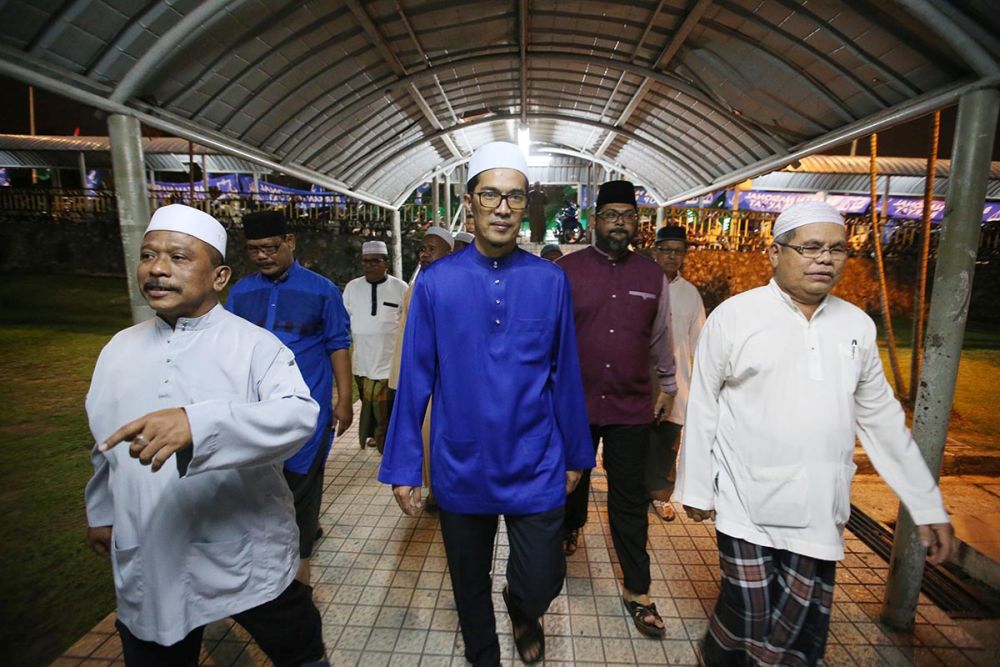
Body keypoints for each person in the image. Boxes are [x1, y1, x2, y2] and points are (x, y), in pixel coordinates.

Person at [675, 201, 953, 666]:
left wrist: (925, 503)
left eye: (837, 249)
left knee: (798, 630)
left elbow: (882, 420)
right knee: (750, 611)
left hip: (820, 508)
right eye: (810, 248)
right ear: (774, 253)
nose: (824, 259)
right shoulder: (735, 316)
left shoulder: (856, 327)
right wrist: (696, 488)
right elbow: (703, 405)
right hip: (747, 501)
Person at [84, 204, 328, 666]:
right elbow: (104, 443)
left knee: (298, 647)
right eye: (148, 255)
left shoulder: (254, 346)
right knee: (156, 645)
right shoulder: (118, 350)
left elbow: (298, 416)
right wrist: (101, 510)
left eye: (178, 257)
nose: (157, 269)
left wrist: (199, 424)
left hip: (242, 546)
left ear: (218, 277)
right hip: (152, 546)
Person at [379, 142, 593, 666]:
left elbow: (566, 374)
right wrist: (405, 464)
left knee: (544, 575)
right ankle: (483, 655)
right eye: (490, 195)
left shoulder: (550, 280)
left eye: (514, 197)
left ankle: (524, 608)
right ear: (470, 203)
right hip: (462, 458)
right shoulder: (435, 281)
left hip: (536, 456)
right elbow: (415, 378)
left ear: (525, 205)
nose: (502, 207)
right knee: (467, 579)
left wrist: (576, 456)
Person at [558, 180, 677, 639]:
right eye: (611, 215)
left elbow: (661, 336)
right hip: (575, 404)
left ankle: (638, 590)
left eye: (628, 215)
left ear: (637, 223)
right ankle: (568, 532)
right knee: (569, 484)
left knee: (629, 500)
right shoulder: (566, 272)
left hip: (631, 406)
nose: (619, 223)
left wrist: (667, 383)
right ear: (595, 220)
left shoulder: (652, 277)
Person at [226, 209, 353, 585]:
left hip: (307, 408)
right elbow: (230, 349)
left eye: (270, 247)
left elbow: (338, 344)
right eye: (254, 250)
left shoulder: (322, 290)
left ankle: (299, 572)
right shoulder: (241, 293)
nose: (263, 256)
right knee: (263, 481)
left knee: (302, 483)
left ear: (290, 243)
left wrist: (343, 399)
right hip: (256, 411)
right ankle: (287, 539)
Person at [386, 225, 454, 512]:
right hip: (414, 378)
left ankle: (443, 491)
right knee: (422, 437)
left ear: (450, 253)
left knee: (438, 438)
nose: (423, 254)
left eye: (431, 249)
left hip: (446, 382)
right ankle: (433, 490)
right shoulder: (414, 288)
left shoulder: (457, 287)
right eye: (423, 249)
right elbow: (403, 336)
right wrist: (397, 377)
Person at [646, 225, 705, 522]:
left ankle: (660, 495)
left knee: (668, 440)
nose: (671, 256)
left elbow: (701, 341)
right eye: (666, 249)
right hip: (640, 378)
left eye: (678, 251)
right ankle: (630, 491)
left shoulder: (690, 294)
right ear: (655, 250)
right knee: (636, 438)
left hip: (677, 380)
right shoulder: (642, 284)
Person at [342, 240, 407, 452]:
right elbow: (344, 319)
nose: (369, 265)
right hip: (362, 362)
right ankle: (377, 435)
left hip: (389, 362)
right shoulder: (352, 287)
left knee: (385, 408)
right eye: (365, 261)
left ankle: (385, 442)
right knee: (369, 405)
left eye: (375, 261)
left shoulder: (400, 288)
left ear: (386, 262)